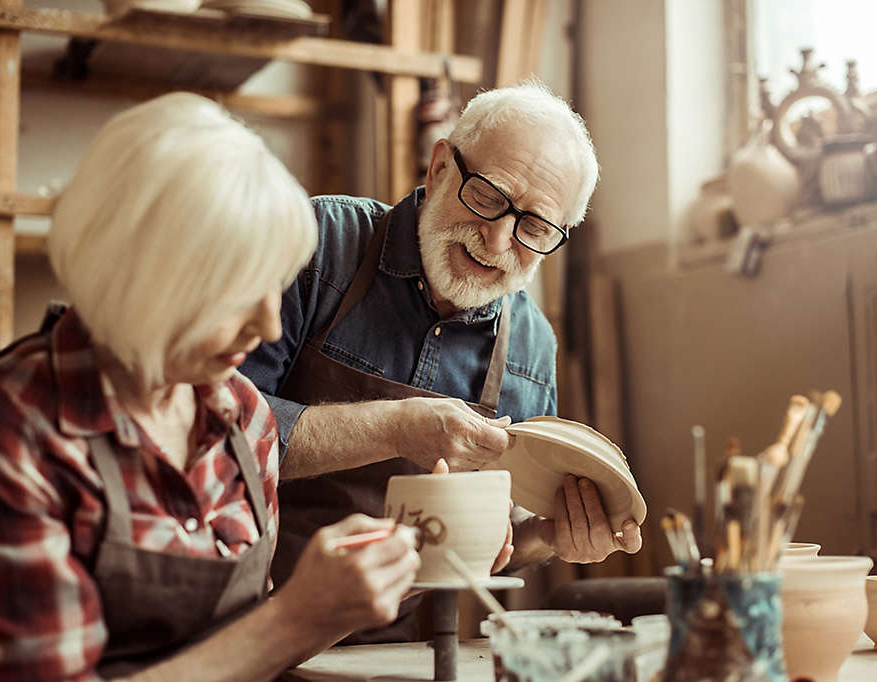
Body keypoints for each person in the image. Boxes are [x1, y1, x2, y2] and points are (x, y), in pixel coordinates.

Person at [0, 93, 420, 681]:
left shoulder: (244, 418)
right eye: (237, 292)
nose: (269, 326)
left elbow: (245, 651)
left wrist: (342, 601)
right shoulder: (8, 426)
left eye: (275, 286)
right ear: (138, 275)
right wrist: (293, 620)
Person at [240, 81, 643, 643]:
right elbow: (215, 435)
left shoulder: (531, 349)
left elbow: (493, 542)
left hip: (403, 654)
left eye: (533, 227)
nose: (498, 241)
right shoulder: (319, 247)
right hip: (249, 627)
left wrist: (549, 536)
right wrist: (398, 427)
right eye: (488, 197)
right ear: (440, 168)